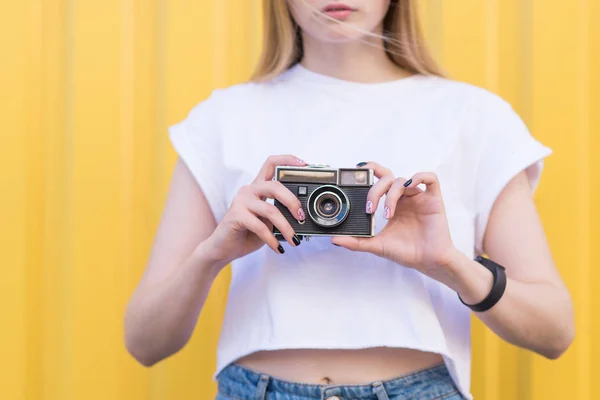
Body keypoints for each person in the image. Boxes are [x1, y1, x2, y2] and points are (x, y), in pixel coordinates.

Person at [124, 1, 575, 399]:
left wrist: (449, 264)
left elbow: (554, 330)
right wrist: (213, 254)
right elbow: (145, 342)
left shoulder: (475, 117)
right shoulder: (221, 118)